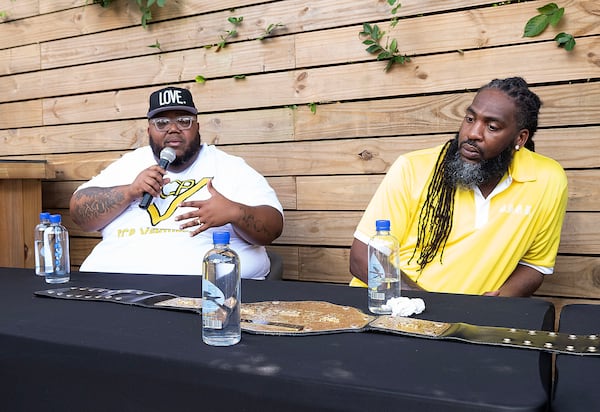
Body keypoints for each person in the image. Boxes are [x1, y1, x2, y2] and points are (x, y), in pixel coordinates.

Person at [349, 77, 567, 297]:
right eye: (470, 118)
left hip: (469, 321)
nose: (473, 133)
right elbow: (363, 257)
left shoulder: (547, 179)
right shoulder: (413, 167)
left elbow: (535, 264)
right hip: (388, 307)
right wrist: (428, 308)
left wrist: (500, 302)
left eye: (492, 127)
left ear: (520, 138)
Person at [70, 86, 284, 279]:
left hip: (209, 298)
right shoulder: (130, 163)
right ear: (149, 130)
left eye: (183, 121)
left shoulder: (230, 167)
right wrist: (129, 192)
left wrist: (235, 212)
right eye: (161, 123)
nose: (173, 129)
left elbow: (273, 228)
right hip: (108, 292)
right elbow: (79, 213)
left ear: (197, 127)